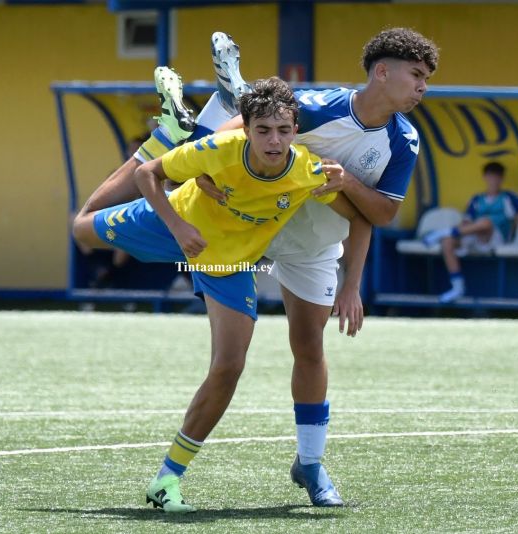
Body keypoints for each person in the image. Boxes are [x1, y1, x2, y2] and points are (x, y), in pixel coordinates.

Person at [74, 28, 438, 508]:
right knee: (86, 228)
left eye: (427, 79)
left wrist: (353, 274)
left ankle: (309, 464)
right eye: (417, 75)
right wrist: (201, 167)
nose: (423, 87)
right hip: (234, 224)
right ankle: (185, 125)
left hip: (310, 242)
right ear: (382, 72)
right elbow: (233, 140)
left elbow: (381, 214)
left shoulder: (404, 140)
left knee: (307, 348)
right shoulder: (313, 104)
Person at [421, 162, 518, 303]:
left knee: (485, 222)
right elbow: (467, 220)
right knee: (447, 242)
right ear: (485, 177)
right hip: (475, 235)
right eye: (490, 176)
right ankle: (457, 287)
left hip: (497, 237)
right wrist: (462, 227)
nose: (493, 180)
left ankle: (444, 232)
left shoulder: (508, 197)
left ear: (501, 179)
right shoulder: (477, 199)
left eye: (497, 177)